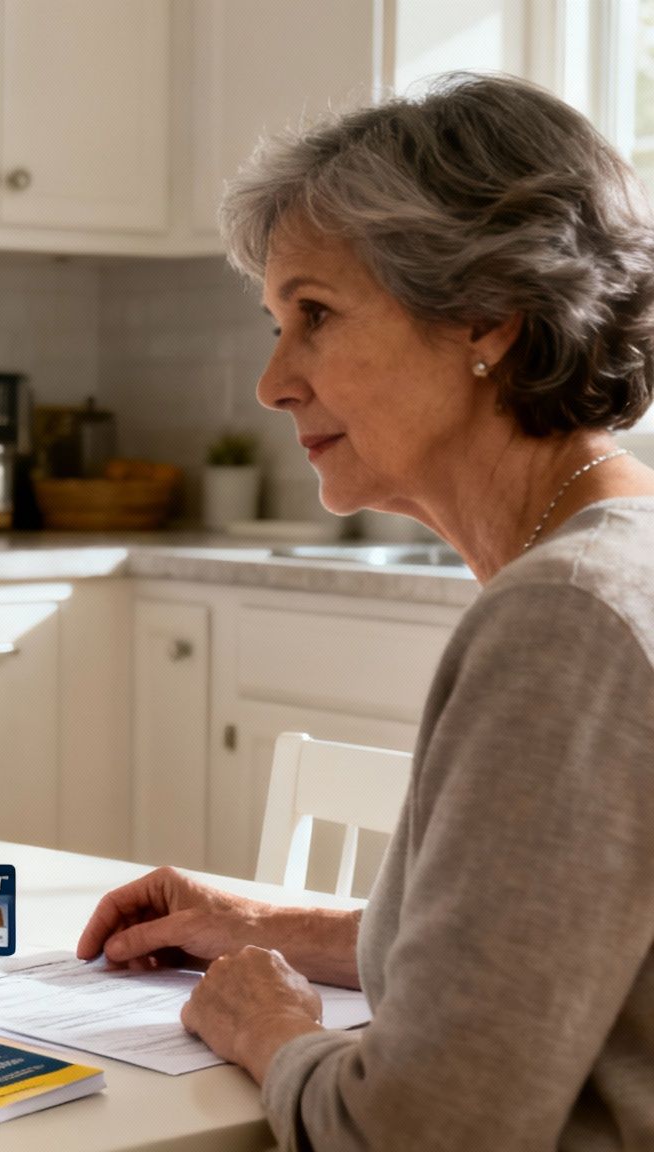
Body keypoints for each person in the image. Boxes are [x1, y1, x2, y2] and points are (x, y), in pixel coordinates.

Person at [74, 73, 654, 1150]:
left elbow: (422, 1131)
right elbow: (541, 947)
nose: (271, 381)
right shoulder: (611, 567)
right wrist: (255, 924)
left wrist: (271, 1029)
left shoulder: (565, 620)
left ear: (485, 317)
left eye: (314, 315)